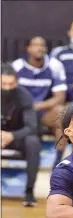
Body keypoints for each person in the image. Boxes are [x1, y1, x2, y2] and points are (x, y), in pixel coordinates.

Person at [12, 36, 67, 167]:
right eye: (35, 45)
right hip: (21, 111)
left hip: (42, 109)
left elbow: (60, 97)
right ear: (28, 48)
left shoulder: (55, 65)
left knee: (62, 113)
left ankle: (58, 161)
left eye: (42, 45)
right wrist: (26, 107)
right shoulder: (17, 66)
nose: (39, 48)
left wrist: (38, 106)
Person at [1, 63, 40, 206]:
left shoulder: (24, 96)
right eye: (3, 84)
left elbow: (32, 127)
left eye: (10, 84)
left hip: (16, 137)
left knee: (33, 142)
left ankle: (29, 192)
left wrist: (11, 136)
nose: (6, 88)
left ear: (16, 82)